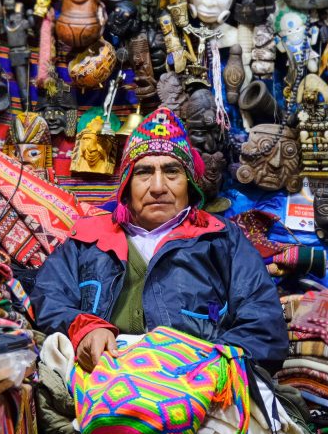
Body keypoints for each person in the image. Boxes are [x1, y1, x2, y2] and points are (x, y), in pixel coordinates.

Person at [31, 107, 288, 371]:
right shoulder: (87, 239)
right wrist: (84, 329)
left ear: (189, 183)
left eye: (171, 172)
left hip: (199, 386)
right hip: (102, 382)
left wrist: (211, 367)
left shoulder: (221, 239)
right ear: (126, 185)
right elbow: (48, 296)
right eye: (143, 172)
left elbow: (264, 327)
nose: (157, 187)